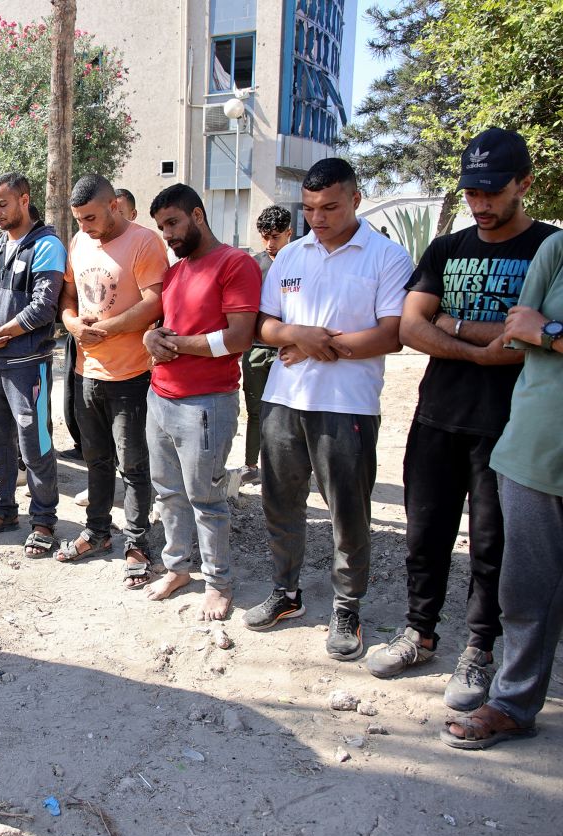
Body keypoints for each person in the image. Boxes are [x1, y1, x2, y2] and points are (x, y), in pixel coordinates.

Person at [368, 129, 558, 710]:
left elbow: (533, 338)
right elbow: (409, 326)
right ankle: (419, 633)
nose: (479, 203)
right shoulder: (447, 249)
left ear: (524, 184)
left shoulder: (549, 249)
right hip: (438, 415)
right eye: (471, 191)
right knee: (425, 536)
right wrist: (482, 342)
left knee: (491, 547)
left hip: (509, 427)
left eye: (492, 191)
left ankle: (478, 649)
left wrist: (452, 326)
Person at [241, 158, 412, 662]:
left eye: (330, 207)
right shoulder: (291, 256)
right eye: (310, 208)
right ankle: (286, 592)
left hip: (347, 405)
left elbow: (391, 335)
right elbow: (263, 328)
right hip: (283, 400)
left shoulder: (386, 257)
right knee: (281, 502)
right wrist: (295, 336)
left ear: (355, 200)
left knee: (348, 511)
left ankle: (347, 605)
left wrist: (318, 346)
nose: (318, 217)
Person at [442, 230, 563, 750]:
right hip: (534, 446)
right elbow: (517, 330)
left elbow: (537, 330)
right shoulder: (558, 251)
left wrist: (552, 334)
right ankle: (514, 704)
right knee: (524, 590)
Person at [143, 185, 262, 619]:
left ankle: (219, 582)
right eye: (161, 228)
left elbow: (238, 337)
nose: (168, 235)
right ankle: (177, 569)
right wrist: (149, 337)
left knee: (206, 499)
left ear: (197, 214)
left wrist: (177, 346)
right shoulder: (176, 272)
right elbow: (164, 327)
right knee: (169, 493)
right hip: (161, 397)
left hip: (207, 404)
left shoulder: (236, 263)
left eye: (173, 223)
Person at [56, 174, 168, 584]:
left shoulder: (144, 242)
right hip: (88, 372)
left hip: (132, 375)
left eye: (91, 218)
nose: (85, 227)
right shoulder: (79, 242)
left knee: (134, 466)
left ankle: (137, 541)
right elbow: (69, 296)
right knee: (95, 460)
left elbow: (155, 302)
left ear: (114, 206)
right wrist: (71, 323)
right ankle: (98, 531)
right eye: (79, 220)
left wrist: (108, 328)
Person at [0, 173, 66, 558]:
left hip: (29, 365)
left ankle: (43, 521)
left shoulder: (47, 244)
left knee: (35, 444)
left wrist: (4, 331)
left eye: (3, 204)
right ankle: (3, 511)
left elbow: (45, 306)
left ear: (24, 200)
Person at [241, 206, 293, 484]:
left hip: (291, 351)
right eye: (265, 237)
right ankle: (251, 464)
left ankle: (286, 466)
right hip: (256, 351)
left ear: (289, 233)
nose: (271, 244)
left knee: (289, 412)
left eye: (276, 237)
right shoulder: (252, 264)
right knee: (255, 410)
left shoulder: (300, 262)